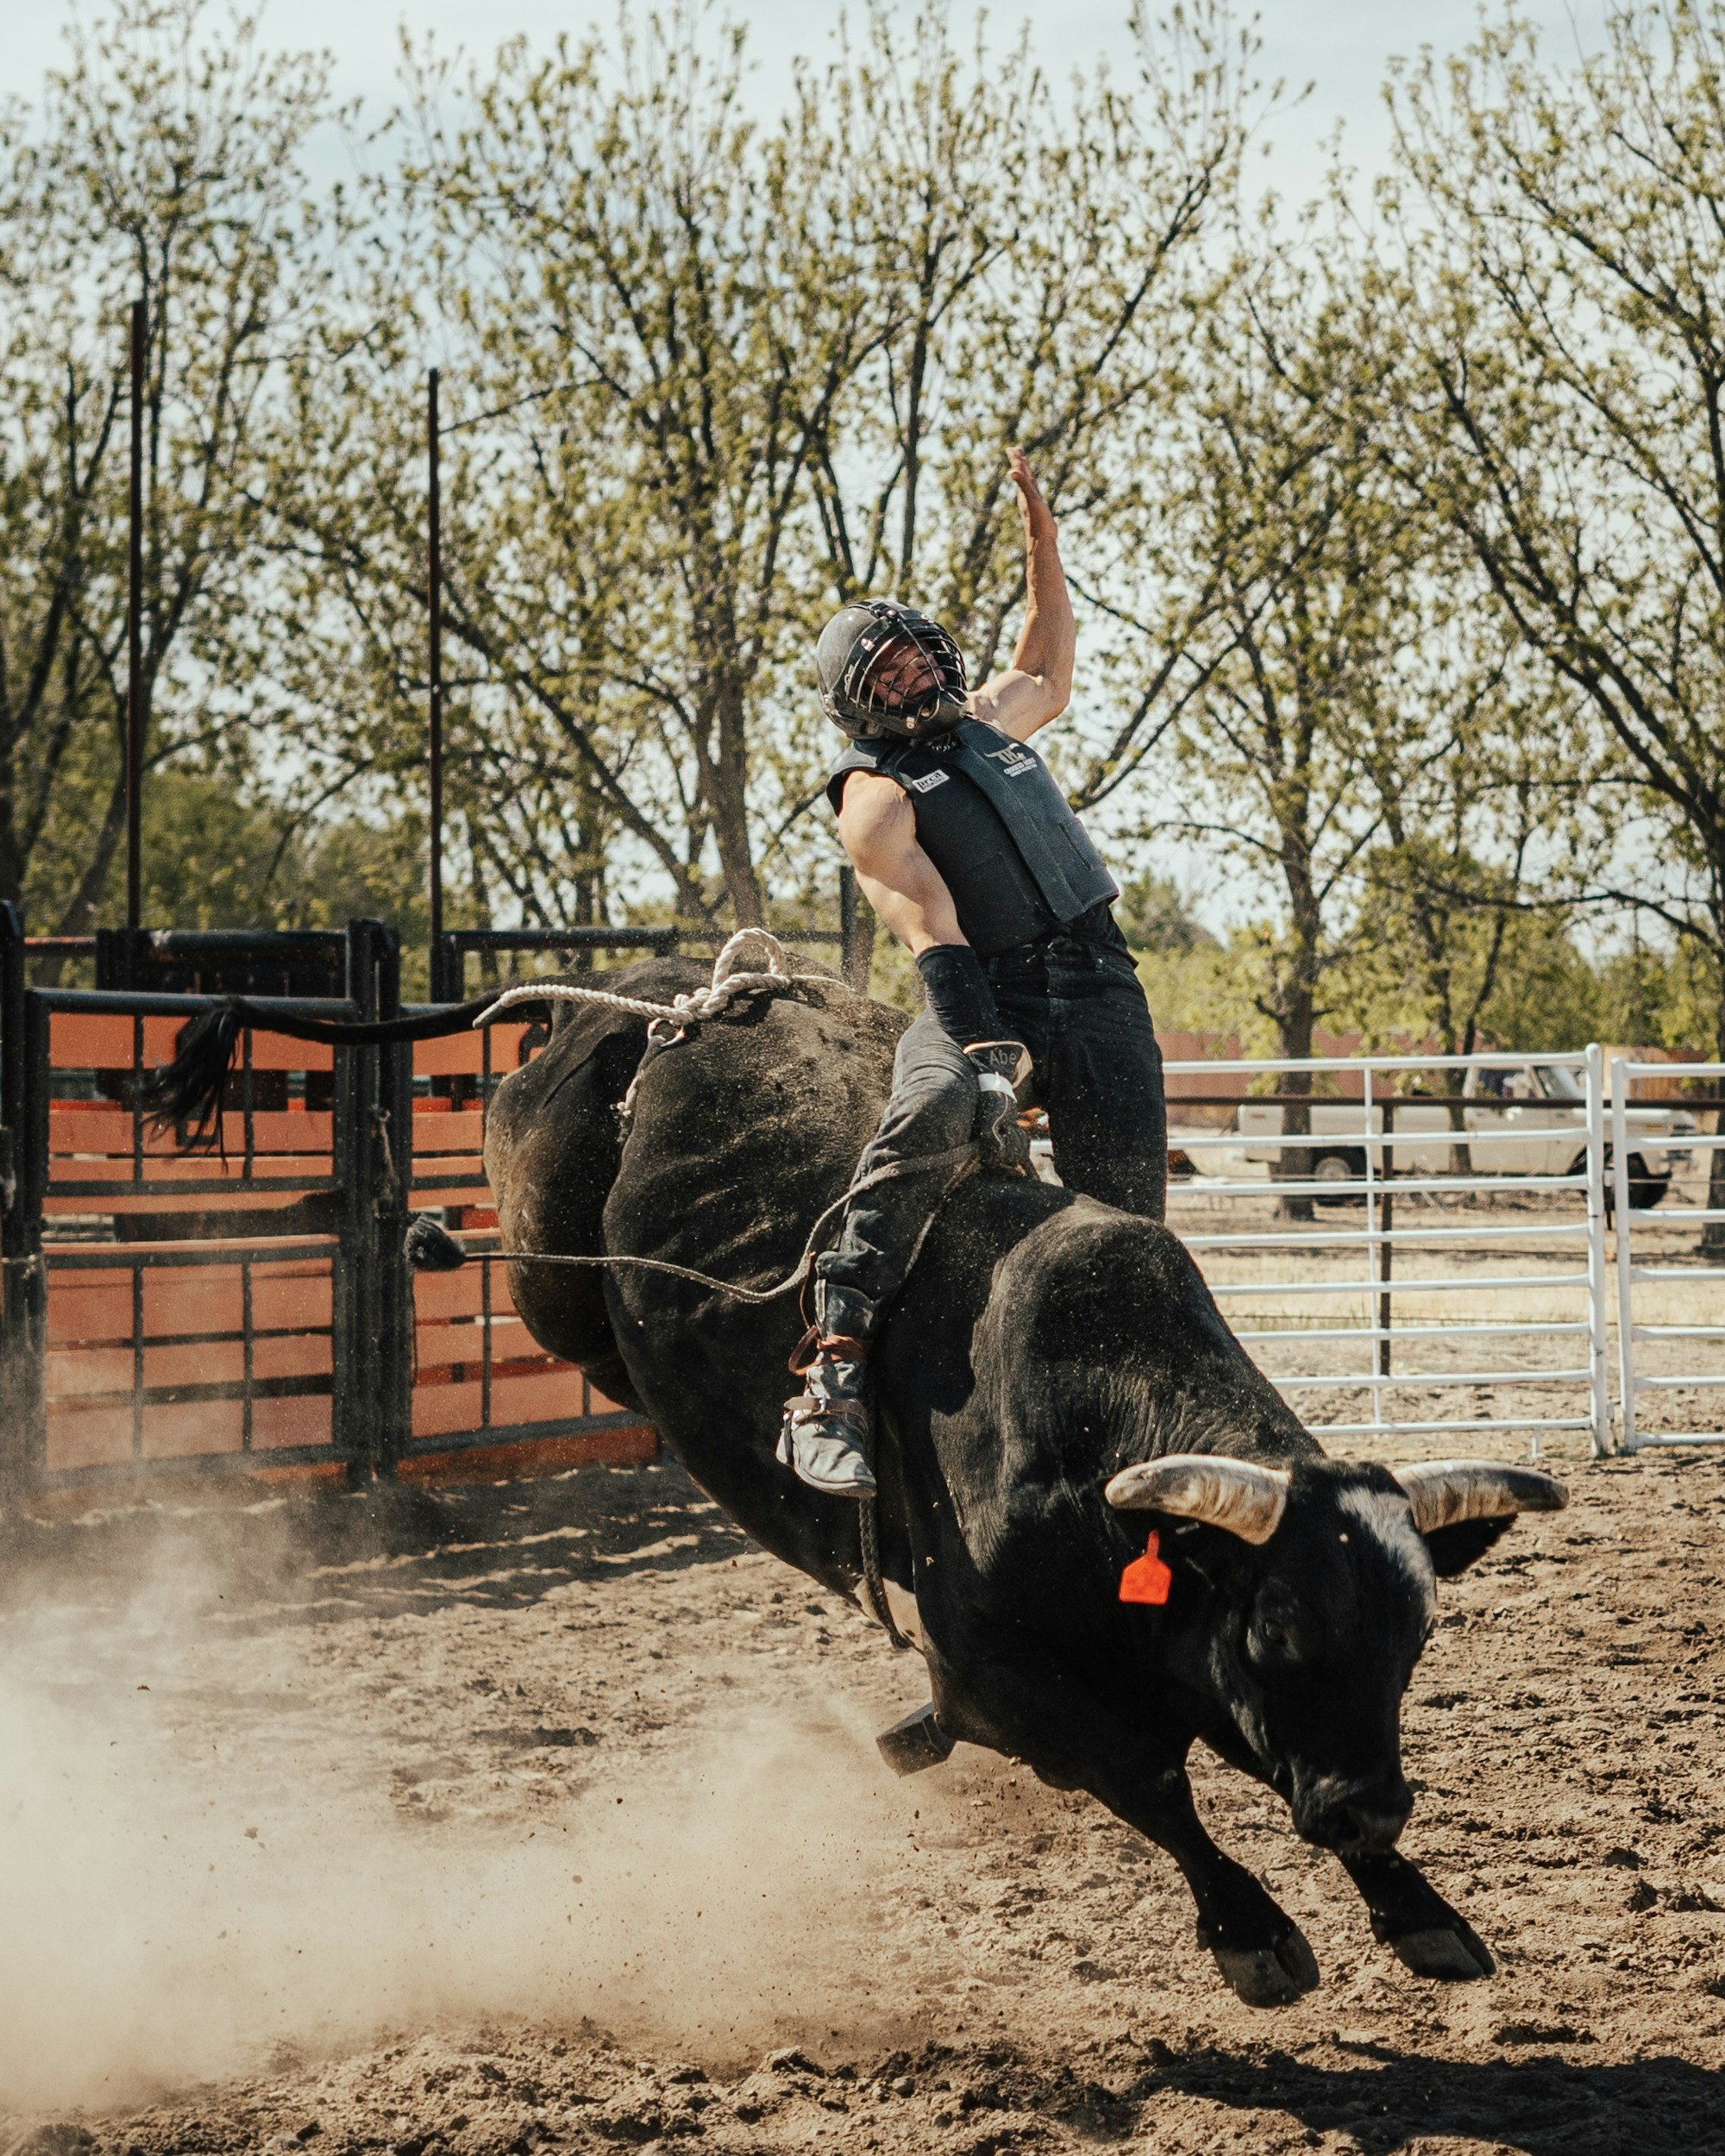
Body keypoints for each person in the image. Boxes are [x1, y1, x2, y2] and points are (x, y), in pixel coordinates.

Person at [781, 448, 1170, 1498]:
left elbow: (1047, 657)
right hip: (978, 990)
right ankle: (831, 1370)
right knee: (927, 1118)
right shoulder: (871, 794)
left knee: (1130, 1220)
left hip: (1099, 980)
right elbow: (930, 928)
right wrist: (988, 1057)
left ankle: (1121, 1420)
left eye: (914, 652)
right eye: (886, 671)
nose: (911, 672)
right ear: (859, 704)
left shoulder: (993, 722)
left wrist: (1042, 538)